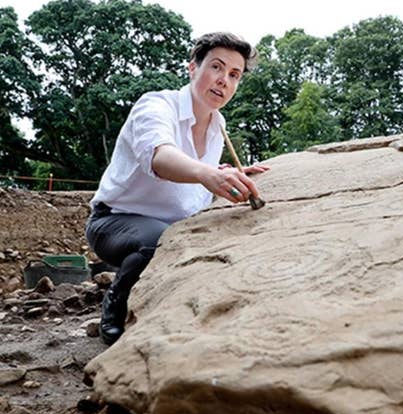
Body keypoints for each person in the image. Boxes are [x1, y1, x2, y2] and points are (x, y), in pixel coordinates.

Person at [85, 32, 268, 345]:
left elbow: (193, 172)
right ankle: (115, 306)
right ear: (193, 68)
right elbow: (161, 156)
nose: (224, 80)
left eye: (234, 75)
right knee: (156, 241)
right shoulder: (156, 106)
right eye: (216, 67)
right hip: (116, 221)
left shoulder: (217, 125)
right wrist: (206, 173)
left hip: (175, 227)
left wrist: (223, 172)